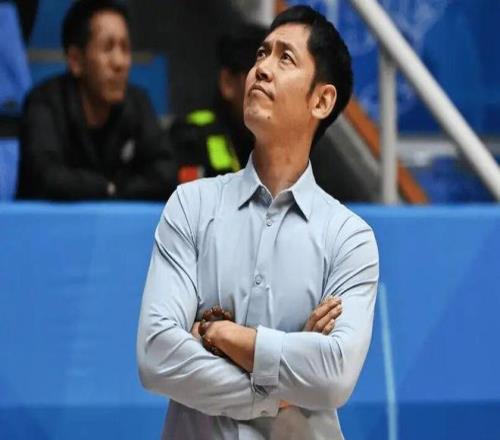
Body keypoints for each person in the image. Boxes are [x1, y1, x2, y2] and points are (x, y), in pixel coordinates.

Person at [137, 5, 379, 440]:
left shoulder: (349, 238)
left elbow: (333, 376)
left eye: (285, 58)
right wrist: (276, 387)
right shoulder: (191, 206)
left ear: (322, 100)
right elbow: (156, 356)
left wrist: (220, 334)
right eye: (261, 54)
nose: (262, 69)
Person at [17, 0, 177, 200]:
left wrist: (113, 189)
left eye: (125, 48)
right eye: (108, 48)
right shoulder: (44, 103)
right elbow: (46, 177)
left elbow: (166, 173)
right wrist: (108, 188)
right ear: (76, 60)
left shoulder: (138, 102)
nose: (120, 62)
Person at [169, 23, 265, 184]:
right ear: (228, 82)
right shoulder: (191, 137)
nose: (269, 86)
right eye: (259, 76)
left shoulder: (291, 139)